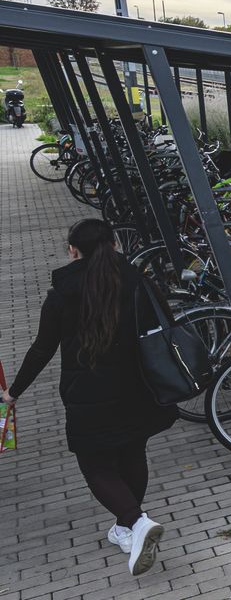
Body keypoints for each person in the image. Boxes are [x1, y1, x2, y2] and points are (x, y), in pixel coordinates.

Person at [0, 219, 177, 576]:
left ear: (72, 250)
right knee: (131, 452)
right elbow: (166, 321)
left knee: (95, 465)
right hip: (137, 388)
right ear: (114, 245)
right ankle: (127, 529)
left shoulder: (63, 292)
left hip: (87, 395)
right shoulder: (136, 280)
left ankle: (136, 522)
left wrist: (12, 392)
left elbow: (41, 349)